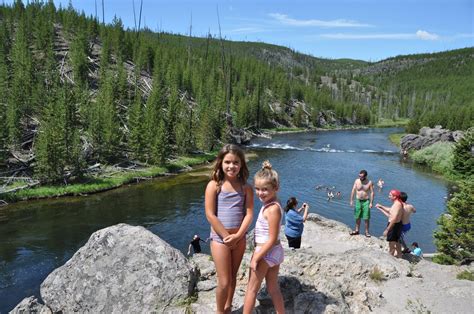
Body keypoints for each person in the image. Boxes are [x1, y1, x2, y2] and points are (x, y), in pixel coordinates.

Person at [205, 144, 254, 314]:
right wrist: (227, 236)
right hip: (220, 239)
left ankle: (228, 307)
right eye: (227, 162)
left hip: (239, 239)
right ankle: (220, 311)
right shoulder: (214, 185)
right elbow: (210, 215)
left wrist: (238, 235)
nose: (231, 166)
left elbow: (248, 214)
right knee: (224, 281)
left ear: (241, 165)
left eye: (235, 162)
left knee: (233, 277)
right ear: (220, 163)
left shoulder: (245, 187)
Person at [243, 161, 284, 313]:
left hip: (265, 251)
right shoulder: (274, 202)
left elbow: (271, 239)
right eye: (258, 189)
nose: (260, 193)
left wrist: (256, 258)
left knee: (251, 289)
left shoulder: (272, 209)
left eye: (265, 189)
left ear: (276, 188)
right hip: (275, 251)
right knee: (273, 288)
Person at [376, 189, 404, 258]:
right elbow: (390, 211)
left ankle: (390, 258)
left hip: (394, 226)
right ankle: (398, 255)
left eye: (390, 195)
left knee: (391, 243)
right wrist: (381, 207)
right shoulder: (397, 203)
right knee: (395, 242)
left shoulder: (397, 205)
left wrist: (387, 230)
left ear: (394, 197)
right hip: (397, 225)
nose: (388, 196)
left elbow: (393, 218)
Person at [349, 170, 374, 237]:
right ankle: (357, 230)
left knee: (366, 217)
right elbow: (353, 190)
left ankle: (366, 232)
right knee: (357, 216)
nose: (360, 177)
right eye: (359, 176)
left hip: (366, 201)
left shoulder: (369, 182)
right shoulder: (357, 181)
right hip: (358, 200)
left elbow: (372, 192)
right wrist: (351, 200)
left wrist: (371, 202)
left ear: (365, 176)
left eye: (361, 176)